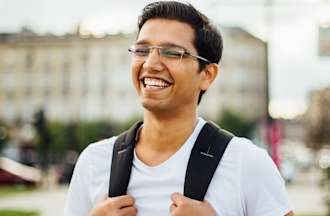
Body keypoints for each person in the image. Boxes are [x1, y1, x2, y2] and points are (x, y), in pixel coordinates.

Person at [64, 1, 294, 216]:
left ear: (207, 75)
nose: (150, 64)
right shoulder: (94, 161)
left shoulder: (247, 163)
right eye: (142, 50)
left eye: (172, 52)